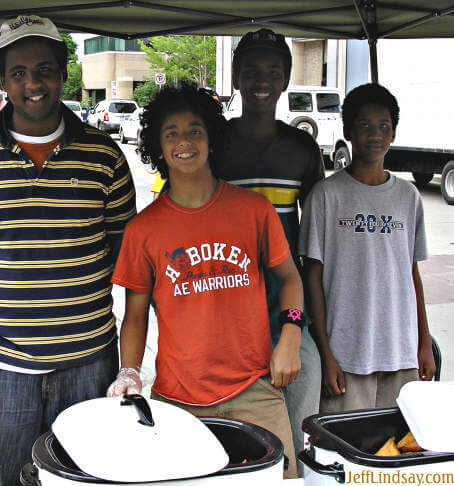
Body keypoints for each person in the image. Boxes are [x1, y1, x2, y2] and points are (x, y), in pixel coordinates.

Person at [0, 15, 136, 486]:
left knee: (86, 477)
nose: (32, 84)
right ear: (3, 81)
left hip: (88, 361)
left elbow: (124, 252)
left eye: (43, 70)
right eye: (18, 73)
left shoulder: (104, 156)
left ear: (63, 75)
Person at [106, 85, 304, 479]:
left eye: (195, 130)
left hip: (255, 391)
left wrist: (291, 337)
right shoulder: (144, 230)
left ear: (212, 139)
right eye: (171, 133)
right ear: (157, 148)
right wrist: (128, 371)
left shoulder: (253, 211)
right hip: (179, 401)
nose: (184, 142)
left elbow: (291, 280)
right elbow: (135, 316)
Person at [216, 28, 324, 470]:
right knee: (238, 452)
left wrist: (309, 324)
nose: (262, 80)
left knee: (300, 439)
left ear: (285, 80)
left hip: (288, 315)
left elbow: (318, 244)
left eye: (273, 71)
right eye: (252, 70)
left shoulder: (300, 148)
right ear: (236, 77)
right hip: (225, 318)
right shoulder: (213, 144)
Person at [298, 83, 436, 413]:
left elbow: (411, 273)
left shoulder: (407, 197)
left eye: (384, 126)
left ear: (393, 132)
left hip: (401, 353)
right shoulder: (326, 195)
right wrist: (326, 353)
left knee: (395, 452)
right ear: (347, 131)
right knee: (345, 452)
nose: (375, 135)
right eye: (364, 125)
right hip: (346, 357)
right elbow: (312, 278)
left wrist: (424, 341)